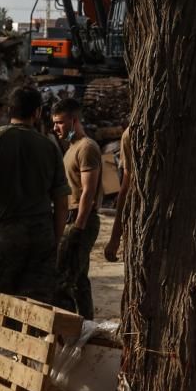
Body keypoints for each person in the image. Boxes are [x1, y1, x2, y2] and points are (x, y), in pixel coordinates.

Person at [0, 86, 69, 312]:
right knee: (38, 310)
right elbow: (61, 203)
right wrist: (54, 242)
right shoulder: (50, 147)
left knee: (1, 308)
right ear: (38, 112)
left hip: (6, 237)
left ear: (9, 109)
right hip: (42, 235)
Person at [50, 97, 102, 319]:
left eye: (60, 122)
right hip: (71, 218)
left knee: (64, 280)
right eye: (54, 122)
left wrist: (78, 227)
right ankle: (86, 326)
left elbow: (88, 191)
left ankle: (67, 334)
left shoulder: (87, 147)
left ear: (74, 120)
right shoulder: (71, 147)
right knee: (79, 278)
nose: (55, 128)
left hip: (81, 219)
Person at [103, 125, 132, 264]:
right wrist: (115, 237)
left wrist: (115, 238)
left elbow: (126, 187)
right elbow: (126, 187)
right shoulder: (131, 134)